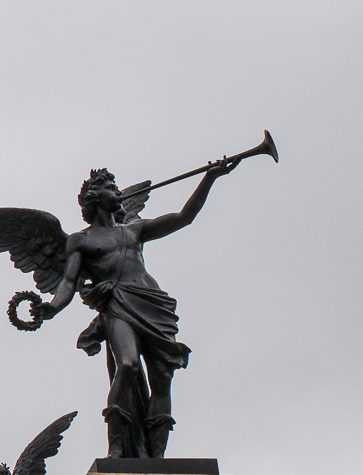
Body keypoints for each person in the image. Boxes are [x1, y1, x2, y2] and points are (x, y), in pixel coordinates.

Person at [40, 162, 234, 458]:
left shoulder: (134, 230)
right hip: (118, 304)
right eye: (109, 187)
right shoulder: (81, 240)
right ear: (94, 197)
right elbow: (69, 280)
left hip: (150, 301)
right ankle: (116, 447)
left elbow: (185, 217)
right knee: (127, 365)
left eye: (116, 187)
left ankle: (157, 458)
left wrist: (210, 177)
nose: (116, 191)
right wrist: (52, 307)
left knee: (162, 376)